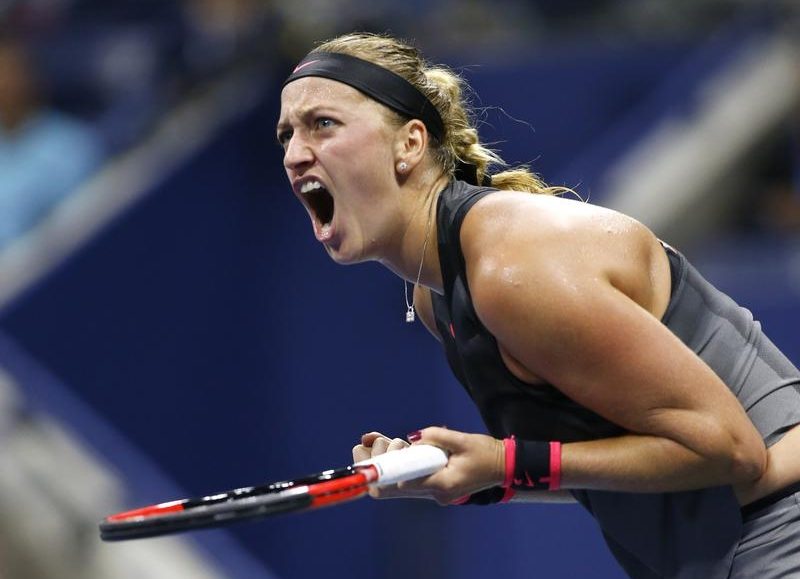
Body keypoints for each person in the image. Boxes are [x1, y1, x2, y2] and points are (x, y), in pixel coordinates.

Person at [277, 32, 800, 578]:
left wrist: (504, 462)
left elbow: (732, 449)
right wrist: (472, 477)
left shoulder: (511, 269)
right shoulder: (436, 297)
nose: (294, 154)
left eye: (323, 124)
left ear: (409, 144)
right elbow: (610, 467)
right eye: (286, 135)